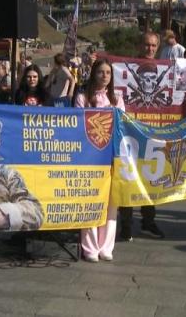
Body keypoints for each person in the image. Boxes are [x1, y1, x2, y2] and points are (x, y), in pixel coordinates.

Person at [75, 59, 125, 262]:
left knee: (111, 203)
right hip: (89, 155)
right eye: (101, 72)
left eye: (108, 73)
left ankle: (106, 246)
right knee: (90, 200)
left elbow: (122, 124)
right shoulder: (82, 96)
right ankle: (90, 247)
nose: (105, 76)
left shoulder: (117, 98)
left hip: (111, 155)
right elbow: (78, 123)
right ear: (94, 73)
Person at [119, 32, 165, 241]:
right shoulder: (125, 66)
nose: (150, 49)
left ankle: (149, 220)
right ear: (140, 45)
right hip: (129, 135)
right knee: (127, 178)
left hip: (153, 136)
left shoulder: (166, 68)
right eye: (146, 45)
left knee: (151, 179)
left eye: (153, 45)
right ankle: (126, 223)